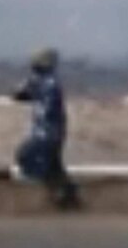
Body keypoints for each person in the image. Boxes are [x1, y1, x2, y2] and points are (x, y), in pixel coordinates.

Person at [12, 48, 80, 209]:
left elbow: (18, 94)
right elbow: (20, 94)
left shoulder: (45, 82)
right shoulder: (47, 81)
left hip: (45, 132)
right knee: (54, 167)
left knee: (25, 155)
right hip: (55, 131)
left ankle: (61, 193)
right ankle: (67, 196)